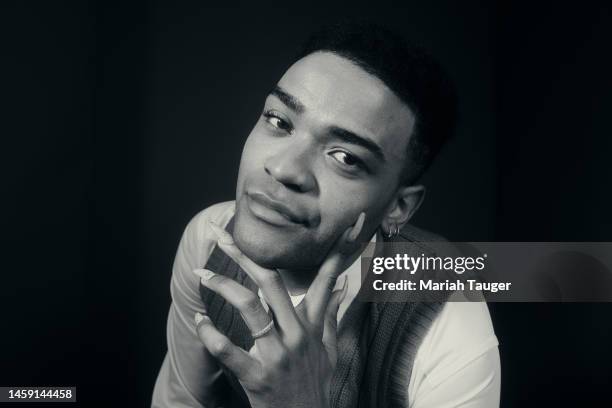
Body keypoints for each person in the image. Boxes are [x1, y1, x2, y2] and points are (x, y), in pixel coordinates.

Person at [152, 22, 500, 408]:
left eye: (346, 158)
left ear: (398, 207)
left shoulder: (448, 319)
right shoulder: (208, 239)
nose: (285, 170)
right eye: (279, 121)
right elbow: (181, 401)